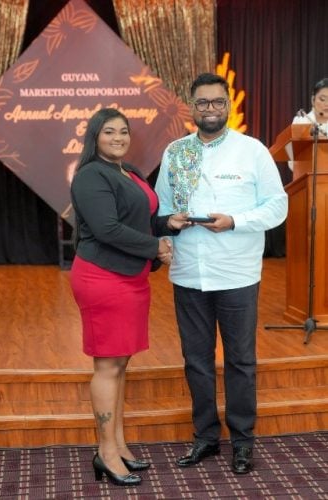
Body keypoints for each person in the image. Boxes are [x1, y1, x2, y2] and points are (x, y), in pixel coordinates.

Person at [155, 73, 288, 474]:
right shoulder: (176, 152)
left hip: (237, 274)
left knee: (241, 361)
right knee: (195, 360)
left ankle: (243, 442)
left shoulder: (253, 151)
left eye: (217, 102)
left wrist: (234, 220)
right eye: (202, 102)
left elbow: (277, 207)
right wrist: (169, 225)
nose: (209, 109)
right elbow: (160, 208)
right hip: (189, 274)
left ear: (228, 106)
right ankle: (206, 438)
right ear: (191, 107)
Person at [70, 108, 188, 487]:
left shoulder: (130, 172)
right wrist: (156, 247)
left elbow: (137, 220)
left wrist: (166, 224)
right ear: (95, 136)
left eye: (123, 131)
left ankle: (118, 444)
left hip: (131, 278)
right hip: (103, 277)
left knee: (120, 364)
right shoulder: (90, 175)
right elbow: (106, 229)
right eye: (109, 132)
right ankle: (104, 453)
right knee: (107, 365)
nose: (118, 137)